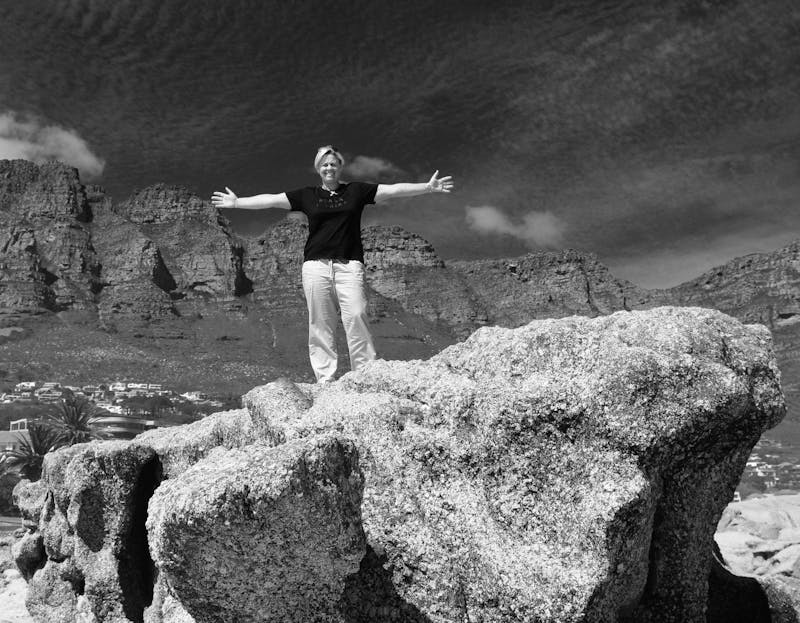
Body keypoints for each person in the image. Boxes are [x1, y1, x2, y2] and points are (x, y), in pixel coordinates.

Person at [211, 145, 454, 382]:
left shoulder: (356, 191)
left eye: (334, 164)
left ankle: (365, 376)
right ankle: (325, 378)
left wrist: (427, 187)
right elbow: (272, 199)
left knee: (357, 315)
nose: (330, 168)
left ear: (340, 167)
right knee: (321, 322)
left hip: (349, 265)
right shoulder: (308, 195)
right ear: (319, 169)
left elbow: (392, 190)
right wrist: (237, 202)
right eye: (325, 164)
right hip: (316, 266)